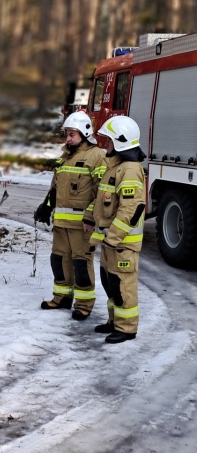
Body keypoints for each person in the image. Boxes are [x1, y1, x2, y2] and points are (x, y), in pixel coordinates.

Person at [35, 111, 106, 319]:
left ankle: (84, 304)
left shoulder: (97, 156)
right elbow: (55, 187)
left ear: (84, 133)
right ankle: (62, 298)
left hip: (82, 225)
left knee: (81, 264)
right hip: (61, 223)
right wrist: (46, 206)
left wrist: (91, 216)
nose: (68, 138)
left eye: (72, 134)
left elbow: (102, 192)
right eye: (67, 134)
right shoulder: (65, 157)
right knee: (58, 260)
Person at [86, 115, 146, 344]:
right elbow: (103, 204)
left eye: (109, 140)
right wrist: (95, 228)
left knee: (123, 286)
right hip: (112, 243)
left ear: (120, 142)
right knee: (111, 282)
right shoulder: (115, 168)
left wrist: (112, 237)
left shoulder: (129, 170)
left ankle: (127, 327)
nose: (105, 145)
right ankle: (115, 321)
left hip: (122, 244)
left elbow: (132, 208)